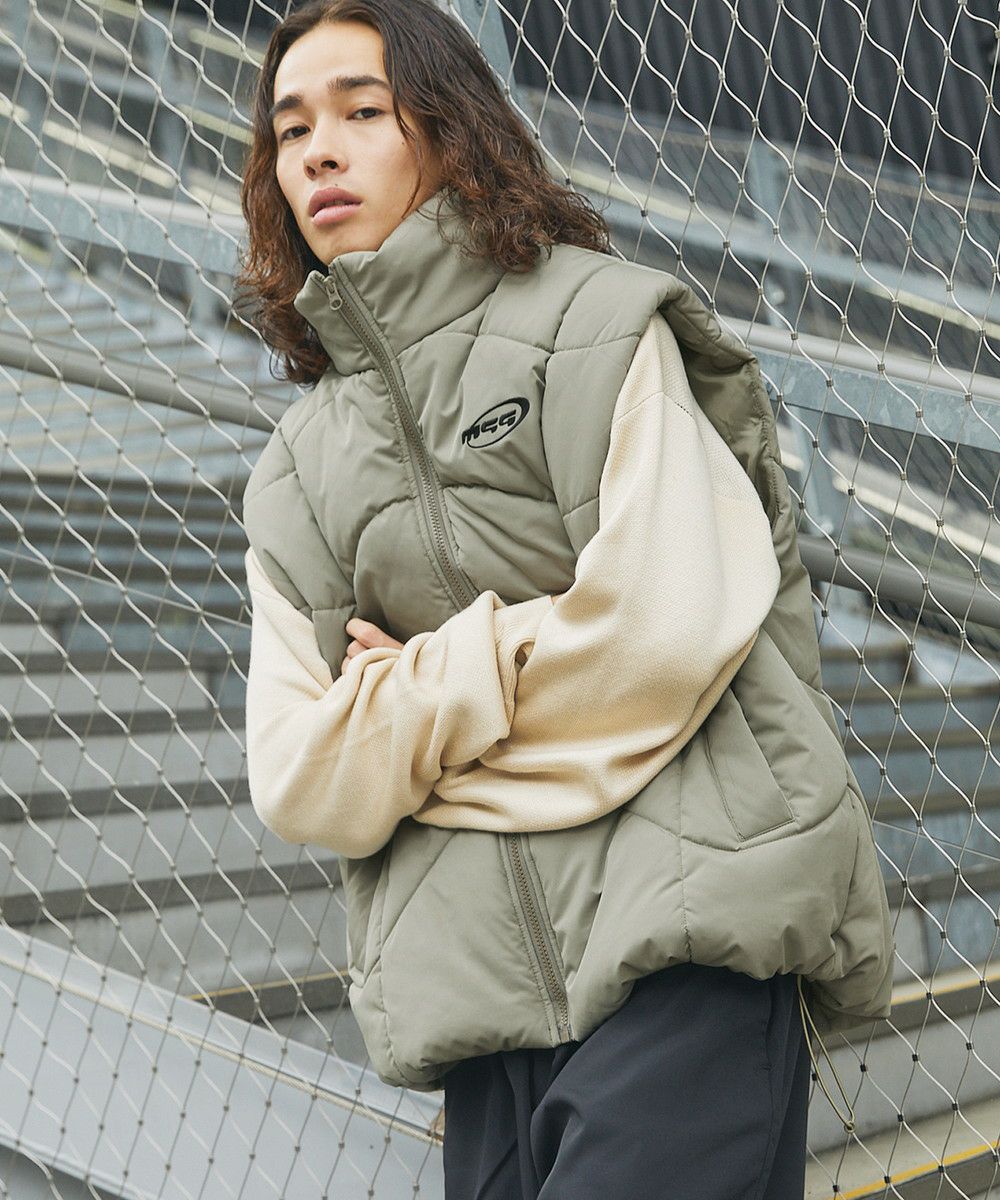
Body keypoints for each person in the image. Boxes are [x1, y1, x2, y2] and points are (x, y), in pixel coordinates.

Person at [234, 2, 896, 1197]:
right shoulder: (293, 474)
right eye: (291, 131)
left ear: (449, 127)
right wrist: (547, 657)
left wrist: (415, 698)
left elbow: (659, 635)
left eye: (362, 112)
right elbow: (297, 776)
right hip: (478, 1005)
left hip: (687, 942)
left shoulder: (600, 323)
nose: (320, 151)